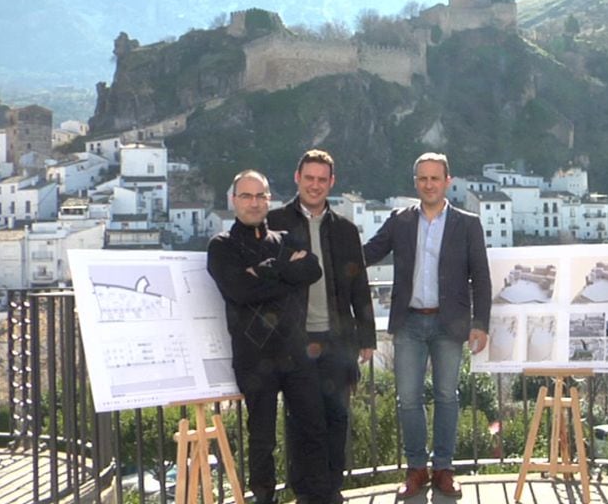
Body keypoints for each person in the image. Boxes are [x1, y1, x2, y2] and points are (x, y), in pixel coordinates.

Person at [362, 152, 492, 500]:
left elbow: (480, 276)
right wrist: (331, 257)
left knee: (448, 397)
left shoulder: (468, 223)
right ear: (415, 182)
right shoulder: (400, 220)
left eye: (435, 178)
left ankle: (444, 469)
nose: (429, 184)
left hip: (450, 324)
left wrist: (480, 323)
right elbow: (369, 253)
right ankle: (417, 469)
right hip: (409, 323)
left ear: (447, 181)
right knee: (408, 399)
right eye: (423, 178)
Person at [206, 170, 333, 504]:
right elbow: (239, 290)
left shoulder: (285, 238)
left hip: (295, 352)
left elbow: (313, 269)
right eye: (247, 196)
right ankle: (264, 498)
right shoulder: (222, 246)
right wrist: (284, 272)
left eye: (261, 196)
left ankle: (315, 496)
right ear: (234, 200)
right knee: (262, 438)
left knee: (313, 428)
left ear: (269, 200)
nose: (254, 203)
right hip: (254, 357)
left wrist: (263, 271)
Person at [268, 150, 376, 504]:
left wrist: (367, 337)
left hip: (337, 339)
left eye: (322, 179)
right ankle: (306, 493)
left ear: (332, 182)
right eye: (309, 178)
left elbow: (359, 285)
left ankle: (331, 490)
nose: (315, 185)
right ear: (297, 178)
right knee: (302, 422)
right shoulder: (274, 222)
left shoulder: (345, 228)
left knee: (336, 418)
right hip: (294, 340)